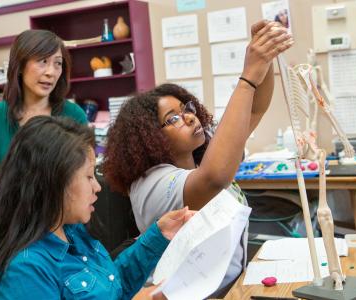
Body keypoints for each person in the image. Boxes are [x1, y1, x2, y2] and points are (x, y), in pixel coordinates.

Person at [103, 20, 293, 296]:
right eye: (173, 119)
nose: (190, 117)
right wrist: (248, 77)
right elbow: (214, 179)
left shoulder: (203, 157)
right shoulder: (150, 184)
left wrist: (264, 56)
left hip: (231, 287)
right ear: (148, 138)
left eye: (186, 108)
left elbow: (255, 109)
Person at [0, 116, 193, 300]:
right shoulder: (25, 270)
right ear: (55, 183)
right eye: (88, 176)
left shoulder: (72, 232)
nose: (97, 187)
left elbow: (112, 286)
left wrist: (159, 235)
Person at [0, 29, 87, 185]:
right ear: (20, 66)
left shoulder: (74, 115)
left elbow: (84, 176)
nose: (51, 72)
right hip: (13, 208)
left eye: (58, 63)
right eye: (43, 61)